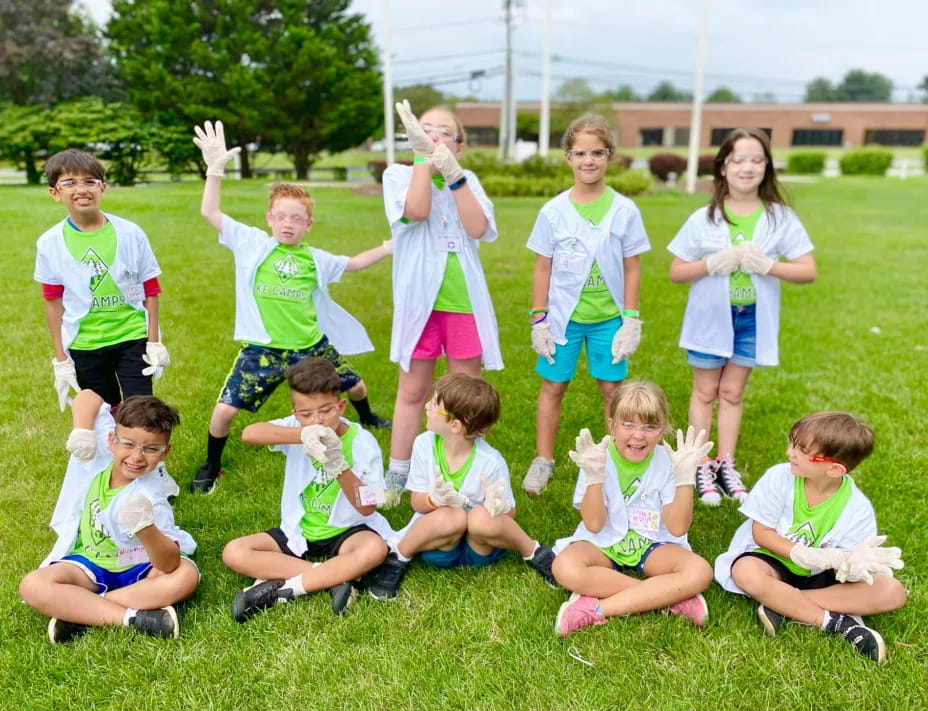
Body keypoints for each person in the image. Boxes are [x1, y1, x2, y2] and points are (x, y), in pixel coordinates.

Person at [190, 121, 393, 493]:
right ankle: (211, 463)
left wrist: (389, 247)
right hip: (263, 349)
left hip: (310, 347)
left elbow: (355, 263)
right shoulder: (251, 243)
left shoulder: (315, 259)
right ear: (269, 219)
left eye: (296, 218)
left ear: (308, 224)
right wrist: (215, 170)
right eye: (281, 216)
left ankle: (370, 418)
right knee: (225, 411)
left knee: (357, 386)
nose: (288, 223)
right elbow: (210, 213)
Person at [668, 128, 817, 506]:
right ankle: (699, 463)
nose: (747, 168)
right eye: (739, 160)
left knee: (732, 393)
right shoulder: (704, 218)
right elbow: (676, 271)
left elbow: (807, 270)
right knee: (705, 392)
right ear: (723, 167)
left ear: (766, 167)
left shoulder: (780, 217)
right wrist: (710, 264)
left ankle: (725, 464)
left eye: (757, 160)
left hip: (752, 318)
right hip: (710, 317)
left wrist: (768, 265)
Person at [381, 101, 503, 505]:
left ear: (459, 145)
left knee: (463, 392)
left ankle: (462, 469)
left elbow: (477, 227)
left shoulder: (467, 180)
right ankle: (399, 472)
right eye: (424, 128)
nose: (433, 135)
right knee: (413, 390)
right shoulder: (398, 175)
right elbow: (416, 211)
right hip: (420, 304)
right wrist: (422, 159)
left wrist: (454, 175)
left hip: (463, 304)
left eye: (444, 131)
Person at [523, 113, 649, 495]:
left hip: (608, 318)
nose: (589, 161)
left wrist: (630, 319)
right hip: (563, 320)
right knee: (553, 387)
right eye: (580, 153)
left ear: (609, 155)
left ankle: (618, 458)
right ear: (568, 157)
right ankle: (544, 458)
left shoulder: (624, 210)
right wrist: (538, 319)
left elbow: (632, 268)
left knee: (613, 390)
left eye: (597, 152)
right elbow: (542, 267)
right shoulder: (553, 211)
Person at [715, 411, 906, 663]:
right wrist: (800, 553)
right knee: (744, 571)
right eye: (793, 443)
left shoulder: (857, 508)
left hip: (821, 574)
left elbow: (849, 561)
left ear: (835, 469)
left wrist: (852, 566)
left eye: (802, 450)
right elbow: (761, 534)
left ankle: (781, 602)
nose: (789, 452)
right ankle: (835, 623)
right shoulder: (779, 477)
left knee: (893, 592)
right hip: (773, 561)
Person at [222, 357, 394, 621]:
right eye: (306, 415)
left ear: (341, 405)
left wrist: (339, 466)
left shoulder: (364, 443)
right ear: (295, 414)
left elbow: (369, 504)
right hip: (298, 530)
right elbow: (249, 433)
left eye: (326, 410)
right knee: (234, 552)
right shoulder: (297, 428)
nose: (317, 420)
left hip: (348, 531)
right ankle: (334, 577)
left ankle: (286, 588)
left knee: (375, 550)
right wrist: (302, 436)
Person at [19, 390, 198, 643]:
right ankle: (134, 617)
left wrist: (145, 528)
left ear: (165, 451)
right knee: (32, 585)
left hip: (139, 567)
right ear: (112, 439)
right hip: (90, 563)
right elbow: (88, 396)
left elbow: (168, 564)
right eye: (128, 444)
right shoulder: (101, 453)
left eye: (150, 449)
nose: (136, 457)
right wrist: (82, 431)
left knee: (186, 575)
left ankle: (80, 612)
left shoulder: (150, 497)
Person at [369, 374, 555, 600]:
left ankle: (534, 552)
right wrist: (433, 500)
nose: (426, 405)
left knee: (479, 517)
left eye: (434, 403)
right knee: (452, 516)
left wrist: (499, 506)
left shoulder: (491, 461)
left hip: (480, 547)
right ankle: (399, 556)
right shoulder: (423, 444)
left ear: (455, 425)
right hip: (440, 545)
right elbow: (416, 503)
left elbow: (509, 514)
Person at [551, 381, 715, 637]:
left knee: (700, 571)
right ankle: (666, 597)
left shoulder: (670, 461)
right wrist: (594, 476)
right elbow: (594, 524)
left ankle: (596, 608)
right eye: (628, 424)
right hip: (602, 541)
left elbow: (677, 527)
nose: (638, 435)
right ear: (611, 425)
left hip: (652, 543)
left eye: (650, 426)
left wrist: (685, 479)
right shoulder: (596, 457)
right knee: (564, 567)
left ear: (662, 431)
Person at [35, 149, 169, 413]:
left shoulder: (131, 233)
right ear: (55, 192)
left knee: (141, 410)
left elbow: (150, 289)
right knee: (108, 411)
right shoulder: (50, 243)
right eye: (69, 183)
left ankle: (149, 453)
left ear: (103, 187)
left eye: (89, 181)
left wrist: (153, 341)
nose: (81, 189)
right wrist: (61, 359)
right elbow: (53, 302)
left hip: (132, 336)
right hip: (86, 344)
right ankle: (119, 451)